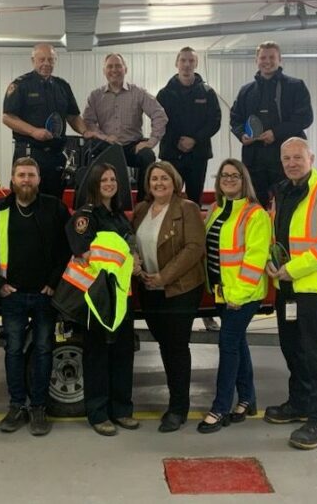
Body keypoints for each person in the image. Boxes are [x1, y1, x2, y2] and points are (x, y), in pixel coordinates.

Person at [265, 137, 317, 450]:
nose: (291, 163)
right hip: (285, 286)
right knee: (292, 348)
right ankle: (299, 403)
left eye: (297, 157)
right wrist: (274, 267)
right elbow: (280, 237)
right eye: (286, 158)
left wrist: (292, 269)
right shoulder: (282, 192)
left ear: (310, 157)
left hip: (312, 287)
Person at [0, 157, 71, 436]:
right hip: (12, 295)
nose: (26, 180)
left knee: (44, 351)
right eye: (21, 175)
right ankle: (17, 405)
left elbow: (66, 250)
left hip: (45, 296)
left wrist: (54, 282)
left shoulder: (55, 208)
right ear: (12, 178)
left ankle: (39, 407)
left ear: (39, 179)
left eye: (31, 175)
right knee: (14, 351)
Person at [58, 163, 137, 437]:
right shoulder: (86, 216)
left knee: (123, 355)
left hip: (122, 298)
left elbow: (126, 252)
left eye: (113, 179)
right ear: (94, 183)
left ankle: (122, 410)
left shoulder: (119, 216)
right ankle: (99, 413)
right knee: (97, 358)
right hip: (97, 300)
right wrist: (124, 257)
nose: (109, 183)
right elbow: (84, 253)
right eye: (103, 179)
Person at [197, 158, 271, 434]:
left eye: (235, 176)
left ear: (244, 181)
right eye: (224, 175)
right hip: (222, 292)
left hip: (243, 295)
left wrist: (237, 295)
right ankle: (248, 399)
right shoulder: (216, 209)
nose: (229, 179)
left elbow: (255, 260)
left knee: (227, 345)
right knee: (238, 343)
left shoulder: (255, 214)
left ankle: (220, 407)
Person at [131, 162, 205, 433]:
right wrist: (136, 264)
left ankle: (178, 408)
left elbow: (194, 247)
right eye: (154, 179)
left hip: (179, 289)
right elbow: (130, 242)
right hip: (149, 288)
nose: (159, 183)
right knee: (164, 344)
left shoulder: (188, 209)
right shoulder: (141, 210)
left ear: (175, 182)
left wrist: (165, 276)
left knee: (175, 346)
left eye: (164, 178)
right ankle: (176, 400)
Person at [230, 41, 313, 208]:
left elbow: (305, 117)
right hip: (254, 160)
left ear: (279, 59)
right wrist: (242, 135)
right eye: (263, 57)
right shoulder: (246, 91)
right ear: (256, 60)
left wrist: (276, 133)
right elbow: (235, 118)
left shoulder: (295, 87)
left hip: (283, 160)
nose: (267, 61)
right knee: (255, 206)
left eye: (271, 57)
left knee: (288, 204)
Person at [3, 43, 89, 198]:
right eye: (42, 59)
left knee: (55, 199)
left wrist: (85, 131)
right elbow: (7, 117)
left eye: (50, 60)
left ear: (55, 61)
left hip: (56, 154)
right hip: (29, 153)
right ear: (33, 60)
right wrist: (33, 131)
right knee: (25, 197)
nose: (46, 64)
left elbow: (73, 116)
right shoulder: (21, 85)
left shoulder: (63, 86)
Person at [83, 53, 168, 200]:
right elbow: (88, 122)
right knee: (90, 157)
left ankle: (144, 203)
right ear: (104, 71)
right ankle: (96, 201)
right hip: (106, 145)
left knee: (148, 156)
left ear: (125, 69)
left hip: (132, 146)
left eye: (118, 66)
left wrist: (151, 142)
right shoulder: (95, 96)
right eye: (110, 66)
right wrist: (104, 137)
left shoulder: (139, 93)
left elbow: (160, 115)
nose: (114, 70)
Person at [156, 47, 222, 205]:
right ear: (176, 63)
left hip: (198, 155)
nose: (187, 64)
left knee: (194, 200)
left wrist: (195, 139)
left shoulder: (207, 93)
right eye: (183, 60)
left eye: (191, 61)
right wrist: (176, 140)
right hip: (171, 153)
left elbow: (215, 121)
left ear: (196, 63)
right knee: (169, 199)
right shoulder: (164, 94)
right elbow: (158, 122)